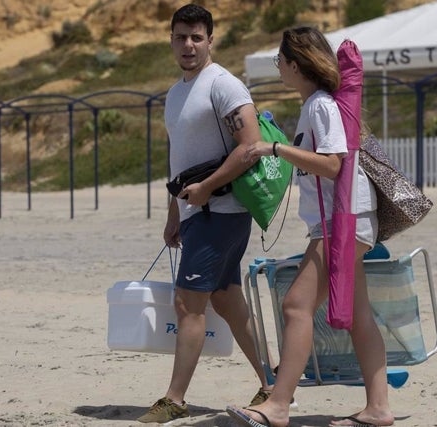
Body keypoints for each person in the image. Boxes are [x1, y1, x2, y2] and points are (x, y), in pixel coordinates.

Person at [226, 27, 394, 427]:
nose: (278, 68)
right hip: (348, 218)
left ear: (295, 64)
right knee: (357, 313)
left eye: (279, 61)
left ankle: (279, 404)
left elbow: (335, 164)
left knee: (296, 306)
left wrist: (276, 148)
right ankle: (378, 408)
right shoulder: (316, 105)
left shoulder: (320, 105)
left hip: (342, 219)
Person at [137, 4, 273, 423]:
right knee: (227, 299)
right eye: (181, 37)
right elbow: (178, 161)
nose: (189, 45)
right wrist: (173, 213)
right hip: (196, 211)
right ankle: (275, 381)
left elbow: (250, 146)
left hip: (223, 209)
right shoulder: (176, 93)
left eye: (197, 37)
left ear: (211, 40)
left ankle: (175, 399)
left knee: (187, 303)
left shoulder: (224, 85)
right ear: (171, 40)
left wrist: (209, 188)